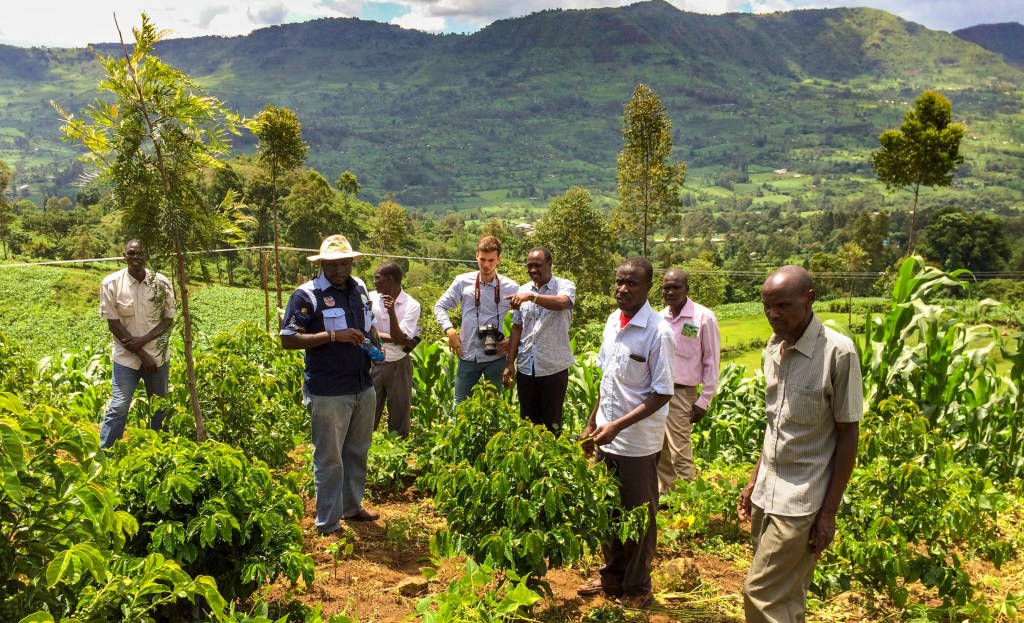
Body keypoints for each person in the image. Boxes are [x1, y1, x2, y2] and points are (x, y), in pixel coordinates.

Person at [737, 265, 862, 622]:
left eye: (782, 305)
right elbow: (775, 424)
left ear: (809, 300)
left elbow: (847, 434)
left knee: (759, 593)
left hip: (801, 501)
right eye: (767, 306)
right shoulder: (774, 347)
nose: (773, 314)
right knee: (787, 595)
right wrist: (753, 480)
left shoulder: (838, 353)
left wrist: (829, 512)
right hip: (766, 493)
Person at [577, 257, 675, 609]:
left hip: (637, 442)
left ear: (647, 289)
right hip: (606, 434)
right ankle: (612, 576)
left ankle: (637, 586)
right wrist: (592, 422)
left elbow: (662, 391)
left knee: (638, 515)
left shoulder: (658, 332)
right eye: (619, 282)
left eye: (631, 283)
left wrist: (617, 425)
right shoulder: (611, 322)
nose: (622, 289)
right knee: (608, 510)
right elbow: (607, 381)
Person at [280, 234, 381, 535]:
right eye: (332, 264)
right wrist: (332, 336)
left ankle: (351, 507)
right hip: (328, 391)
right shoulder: (306, 295)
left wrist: (375, 344)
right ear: (322, 264)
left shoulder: (360, 287)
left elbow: (369, 321)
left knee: (357, 450)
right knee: (329, 458)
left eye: (344, 263)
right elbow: (288, 339)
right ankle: (327, 523)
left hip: (362, 384)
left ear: (352, 262)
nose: (339, 269)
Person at [98, 239, 177, 448]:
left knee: (160, 407)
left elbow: (168, 320)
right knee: (119, 406)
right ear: (124, 255)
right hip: (126, 358)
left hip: (157, 358)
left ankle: (160, 451)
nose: (136, 257)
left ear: (146, 255)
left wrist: (142, 343)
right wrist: (142, 354)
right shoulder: (111, 283)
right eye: (131, 253)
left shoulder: (161, 283)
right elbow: (114, 325)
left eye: (140, 253)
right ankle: (105, 454)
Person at [433, 235, 518, 405]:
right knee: (460, 404)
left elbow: (522, 319)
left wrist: (511, 341)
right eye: (482, 259)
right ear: (476, 256)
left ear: (499, 260)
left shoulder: (512, 287)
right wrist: (449, 330)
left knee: (494, 406)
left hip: (495, 356)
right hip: (467, 354)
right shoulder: (462, 281)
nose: (486, 265)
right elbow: (439, 306)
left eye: (491, 260)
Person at [657, 268, 721, 492]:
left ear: (687, 289)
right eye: (666, 287)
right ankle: (666, 494)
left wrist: (704, 401)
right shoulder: (659, 318)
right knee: (661, 448)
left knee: (679, 450)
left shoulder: (702, 317)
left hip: (682, 393)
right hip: (657, 393)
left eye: (676, 287)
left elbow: (712, 360)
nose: (670, 291)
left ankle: (689, 502)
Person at [503, 247, 575, 433]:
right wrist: (510, 362)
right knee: (528, 422)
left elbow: (562, 303)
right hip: (527, 366)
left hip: (554, 367)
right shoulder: (523, 290)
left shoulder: (565, 286)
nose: (533, 269)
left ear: (550, 264)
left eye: (538, 265)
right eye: (530, 266)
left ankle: (552, 460)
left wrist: (532, 297)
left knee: (552, 423)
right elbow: (517, 326)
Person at [369, 261, 421, 438]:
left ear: (389, 279)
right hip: (372, 362)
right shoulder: (371, 299)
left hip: (398, 363)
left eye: (377, 278)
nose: (374, 282)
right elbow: (366, 331)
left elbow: (399, 340)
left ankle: (398, 453)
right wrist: (384, 336)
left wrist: (391, 314)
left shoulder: (411, 305)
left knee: (399, 413)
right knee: (367, 412)